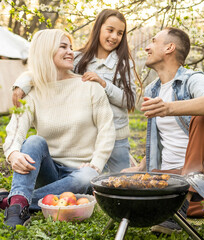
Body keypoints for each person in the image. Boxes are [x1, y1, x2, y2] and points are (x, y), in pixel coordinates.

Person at [121, 27, 204, 235]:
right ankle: (175, 203)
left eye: (154, 41)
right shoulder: (152, 91)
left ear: (169, 47)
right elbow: (159, 141)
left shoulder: (193, 79)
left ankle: (183, 201)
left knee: (203, 117)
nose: (147, 46)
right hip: (169, 181)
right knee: (122, 181)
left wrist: (169, 108)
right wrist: (139, 168)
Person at [0, 29, 115, 229]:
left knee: (87, 175)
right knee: (34, 141)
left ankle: (16, 202)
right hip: (48, 172)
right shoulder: (33, 91)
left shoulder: (89, 86)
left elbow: (107, 130)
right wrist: (13, 154)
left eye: (70, 47)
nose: (71, 51)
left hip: (81, 174)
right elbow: (15, 129)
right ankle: (19, 206)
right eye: (63, 47)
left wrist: (95, 165)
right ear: (46, 51)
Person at [12, 9, 139, 173]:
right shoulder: (79, 58)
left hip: (116, 137)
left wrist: (103, 83)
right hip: (85, 137)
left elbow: (129, 101)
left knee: (120, 183)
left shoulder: (123, 64)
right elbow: (46, 70)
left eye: (120, 33)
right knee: (89, 180)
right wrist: (22, 83)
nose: (114, 36)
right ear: (98, 28)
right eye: (110, 30)